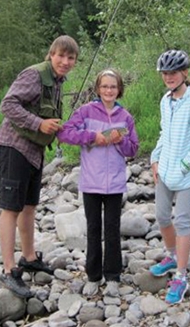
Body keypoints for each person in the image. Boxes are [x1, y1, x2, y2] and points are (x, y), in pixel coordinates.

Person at [0, 36, 78, 298]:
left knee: (29, 206)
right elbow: (7, 105)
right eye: (61, 55)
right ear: (51, 54)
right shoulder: (34, 75)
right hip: (14, 147)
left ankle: (29, 257)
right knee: (11, 208)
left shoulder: (57, 81)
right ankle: (8, 270)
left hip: (34, 152)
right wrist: (39, 124)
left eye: (71, 58)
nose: (65, 61)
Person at [56, 69, 139, 297]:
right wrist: (94, 137)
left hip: (115, 183)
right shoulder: (85, 111)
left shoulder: (126, 117)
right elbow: (65, 134)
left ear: (119, 89)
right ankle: (93, 276)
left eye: (113, 86)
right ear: (98, 89)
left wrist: (119, 141)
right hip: (91, 182)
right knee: (93, 230)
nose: (108, 90)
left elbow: (133, 149)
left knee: (112, 229)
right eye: (104, 86)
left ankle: (113, 276)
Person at [149, 49, 190, 305]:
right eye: (165, 73)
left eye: (173, 73)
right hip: (164, 170)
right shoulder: (165, 100)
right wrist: (155, 158)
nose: (168, 77)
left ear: (184, 73)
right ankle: (172, 254)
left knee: (182, 221)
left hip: (186, 175)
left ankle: (181, 276)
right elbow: (164, 133)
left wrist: (185, 164)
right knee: (162, 216)